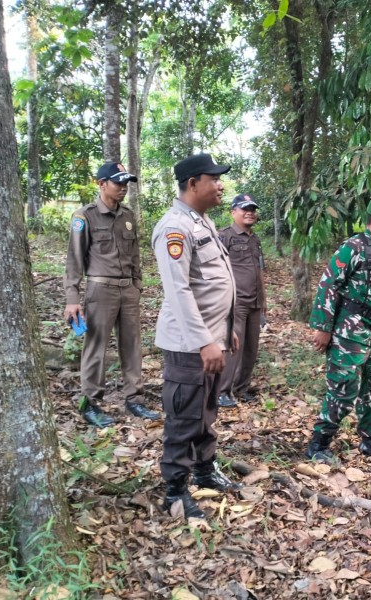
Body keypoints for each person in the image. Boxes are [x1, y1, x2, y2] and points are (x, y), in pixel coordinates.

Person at [152, 153, 243, 519]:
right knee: (184, 417)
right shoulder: (176, 227)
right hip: (189, 345)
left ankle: (204, 471)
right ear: (193, 184)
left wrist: (226, 330)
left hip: (211, 339)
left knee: (206, 414)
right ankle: (175, 491)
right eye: (214, 179)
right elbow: (179, 291)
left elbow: (217, 285)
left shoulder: (201, 222)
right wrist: (204, 340)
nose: (221, 185)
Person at [305, 196, 371, 462]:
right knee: (344, 387)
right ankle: (319, 444)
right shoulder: (351, 248)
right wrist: (323, 327)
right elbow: (328, 285)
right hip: (346, 328)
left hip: (367, 330)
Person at [64, 162, 158, 427]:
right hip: (100, 289)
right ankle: (90, 403)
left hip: (127, 290)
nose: (123, 188)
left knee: (132, 345)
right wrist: (72, 298)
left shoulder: (127, 216)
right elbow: (74, 260)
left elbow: (135, 254)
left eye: (126, 183)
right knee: (96, 347)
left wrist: (137, 284)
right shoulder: (85, 216)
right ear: (101, 184)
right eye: (118, 183)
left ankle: (134, 398)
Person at [216, 194, 267, 408]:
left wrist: (264, 302)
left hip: (255, 302)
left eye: (253, 209)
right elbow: (215, 270)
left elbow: (260, 270)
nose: (250, 212)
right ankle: (222, 391)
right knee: (233, 347)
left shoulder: (255, 239)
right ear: (233, 211)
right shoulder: (224, 236)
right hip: (236, 302)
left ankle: (241, 387)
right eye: (245, 208)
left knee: (251, 348)